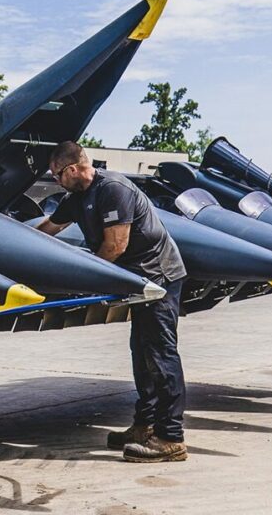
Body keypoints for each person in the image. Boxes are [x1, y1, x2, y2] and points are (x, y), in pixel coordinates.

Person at [36, 141, 189, 463]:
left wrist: (84, 282)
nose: (55, 181)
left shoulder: (113, 189)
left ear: (73, 168)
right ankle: (145, 425)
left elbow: (115, 246)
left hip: (158, 278)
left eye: (56, 175)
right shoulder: (76, 198)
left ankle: (171, 438)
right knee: (142, 355)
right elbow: (48, 229)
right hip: (136, 282)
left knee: (160, 357)